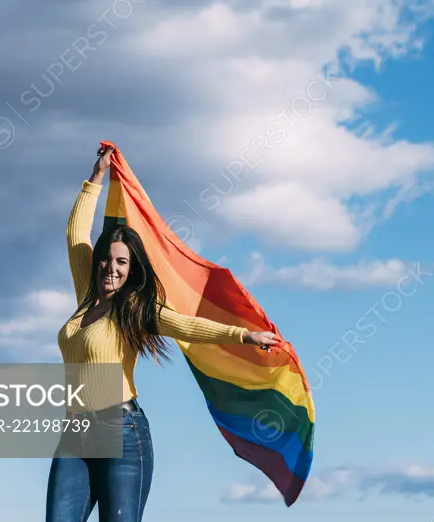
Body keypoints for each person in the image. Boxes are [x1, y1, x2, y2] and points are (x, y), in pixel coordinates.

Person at [46, 145, 279, 521]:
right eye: (106, 257)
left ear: (130, 267)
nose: (111, 267)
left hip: (122, 433)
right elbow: (75, 232)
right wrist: (97, 177)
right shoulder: (85, 296)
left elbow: (186, 325)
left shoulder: (135, 309)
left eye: (122, 262)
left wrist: (244, 336)